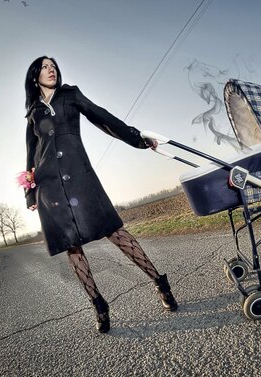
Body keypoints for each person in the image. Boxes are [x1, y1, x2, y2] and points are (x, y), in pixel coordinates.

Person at [23, 56, 177, 333]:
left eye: (53, 66)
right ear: (35, 76)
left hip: (80, 177)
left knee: (115, 231)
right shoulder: (33, 114)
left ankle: (159, 282)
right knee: (72, 246)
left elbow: (101, 116)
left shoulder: (70, 95)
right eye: (45, 67)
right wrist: (30, 194)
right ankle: (98, 305)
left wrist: (136, 137)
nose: (51, 69)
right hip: (50, 187)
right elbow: (30, 156)